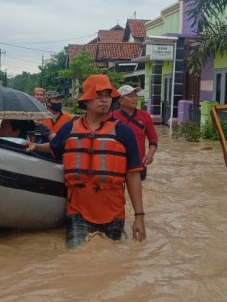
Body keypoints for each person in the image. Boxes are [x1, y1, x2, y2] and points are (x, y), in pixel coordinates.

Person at [24, 74, 146, 248]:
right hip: (78, 214)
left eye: (107, 95)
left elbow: (133, 176)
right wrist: (36, 147)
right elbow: (54, 147)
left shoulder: (124, 132)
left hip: (114, 215)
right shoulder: (70, 129)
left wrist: (139, 217)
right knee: (77, 262)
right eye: (99, 95)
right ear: (86, 100)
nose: (104, 100)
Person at [111, 85, 158, 181]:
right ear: (121, 101)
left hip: (138, 164)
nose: (134, 99)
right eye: (130, 96)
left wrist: (151, 154)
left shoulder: (145, 116)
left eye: (135, 96)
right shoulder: (111, 116)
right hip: (117, 164)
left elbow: (153, 138)